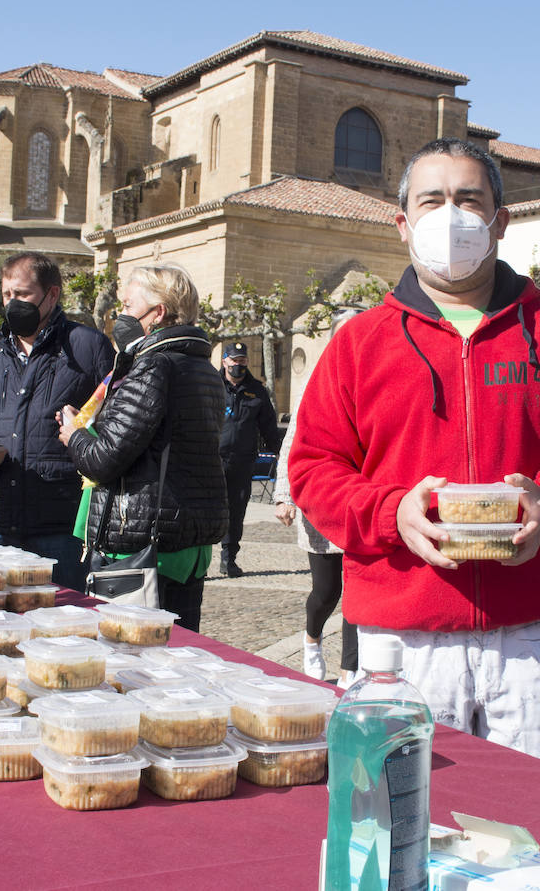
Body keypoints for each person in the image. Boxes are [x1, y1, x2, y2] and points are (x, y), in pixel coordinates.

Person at [288, 137, 540, 762]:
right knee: (401, 828)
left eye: (468, 200)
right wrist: (391, 513)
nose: (450, 216)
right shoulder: (359, 342)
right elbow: (314, 468)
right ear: (403, 224)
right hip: (400, 645)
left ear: (500, 220)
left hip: (536, 641)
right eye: (432, 201)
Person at [57, 264, 227, 631]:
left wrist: (75, 435)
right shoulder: (204, 369)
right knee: (179, 652)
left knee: (135, 662)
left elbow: (103, 460)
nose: (121, 317)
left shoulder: (154, 366)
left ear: (158, 312)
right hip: (184, 544)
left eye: (129, 306)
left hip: (143, 546)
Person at [0, 252, 114, 591]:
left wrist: (81, 435)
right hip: (2, 520)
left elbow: (114, 424)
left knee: (65, 624)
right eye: (7, 295)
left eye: (22, 295)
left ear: (51, 295)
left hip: (62, 524)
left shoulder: (87, 346)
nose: (13, 303)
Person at [273, 311, 360, 686]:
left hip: (361, 505)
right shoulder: (315, 385)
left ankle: (349, 672)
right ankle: (312, 639)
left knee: (358, 595)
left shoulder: (375, 378)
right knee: (326, 593)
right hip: (322, 503)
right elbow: (292, 444)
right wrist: (284, 496)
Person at [217, 341, 281, 577]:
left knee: (236, 512)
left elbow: (269, 428)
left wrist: (281, 454)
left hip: (242, 461)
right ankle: (199, 562)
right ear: (225, 361)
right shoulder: (212, 385)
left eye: (242, 361)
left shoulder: (257, 390)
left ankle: (229, 559)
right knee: (205, 509)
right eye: (234, 360)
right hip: (212, 460)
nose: (238, 365)